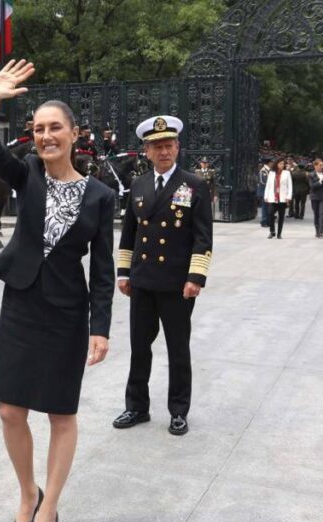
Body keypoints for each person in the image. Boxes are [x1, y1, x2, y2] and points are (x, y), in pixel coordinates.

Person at [0, 60, 115, 522]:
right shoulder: (27, 173)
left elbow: (102, 269)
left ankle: (50, 507)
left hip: (65, 314)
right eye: (37, 129)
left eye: (54, 127)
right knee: (10, 409)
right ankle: (27, 492)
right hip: (20, 303)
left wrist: (99, 328)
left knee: (61, 413)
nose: (45, 136)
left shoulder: (101, 196)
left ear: (74, 134)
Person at [114, 113, 213, 437]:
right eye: (157, 147)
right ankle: (137, 407)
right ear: (146, 150)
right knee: (139, 347)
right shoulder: (139, 185)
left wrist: (195, 278)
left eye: (169, 145)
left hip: (175, 284)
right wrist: (123, 273)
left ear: (177, 147)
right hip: (142, 282)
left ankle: (179, 411)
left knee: (177, 349)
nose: (164, 151)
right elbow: (129, 232)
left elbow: (202, 237)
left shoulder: (193, 185)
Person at [264, 158, 291, 239]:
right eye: (280, 164)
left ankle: (279, 233)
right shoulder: (271, 173)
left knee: (281, 216)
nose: (282, 165)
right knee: (270, 213)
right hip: (273, 197)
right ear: (277, 164)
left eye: (283, 164)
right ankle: (272, 231)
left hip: (282, 198)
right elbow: (268, 185)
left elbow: (290, 186)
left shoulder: (287, 173)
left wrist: (288, 196)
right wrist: (266, 196)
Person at [308, 158, 323, 238]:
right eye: (320, 165)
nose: (321, 167)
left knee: (322, 214)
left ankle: (321, 232)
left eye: (322, 165)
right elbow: (312, 186)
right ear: (315, 166)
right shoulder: (311, 175)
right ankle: (317, 231)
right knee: (316, 214)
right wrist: (320, 181)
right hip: (315, 197)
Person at [257, 159, 271, 227]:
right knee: (265, 207)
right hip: (264, 191)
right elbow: (263, 181)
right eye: (271, 162)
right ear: (268, 163)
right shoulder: (263, 171)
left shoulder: (269, 170)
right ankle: (264, 221)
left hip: (268, 191)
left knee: (268, 207)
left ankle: (268, 220)